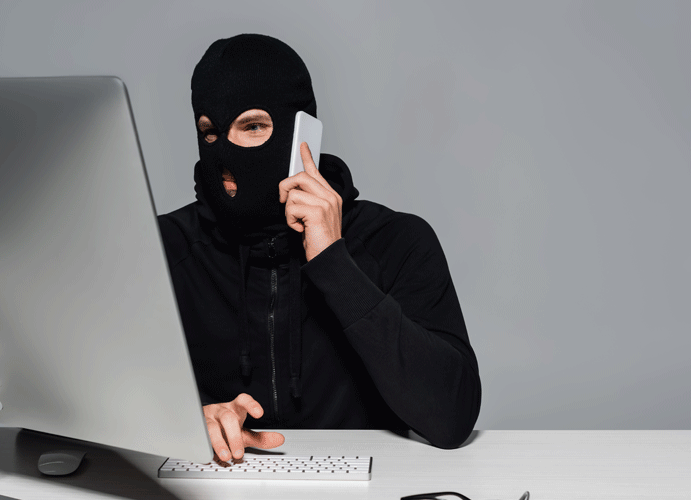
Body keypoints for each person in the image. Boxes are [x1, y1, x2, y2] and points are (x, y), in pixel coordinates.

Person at [157, 34, 481, 461]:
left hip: (367, 488)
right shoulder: (163, 250)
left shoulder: (396, 242)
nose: (226, 154)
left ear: (302, 133)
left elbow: (452, 416)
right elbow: (97, 392)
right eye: (211, 132)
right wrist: (181, 421)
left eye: (252, 126)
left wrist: (334, 262)